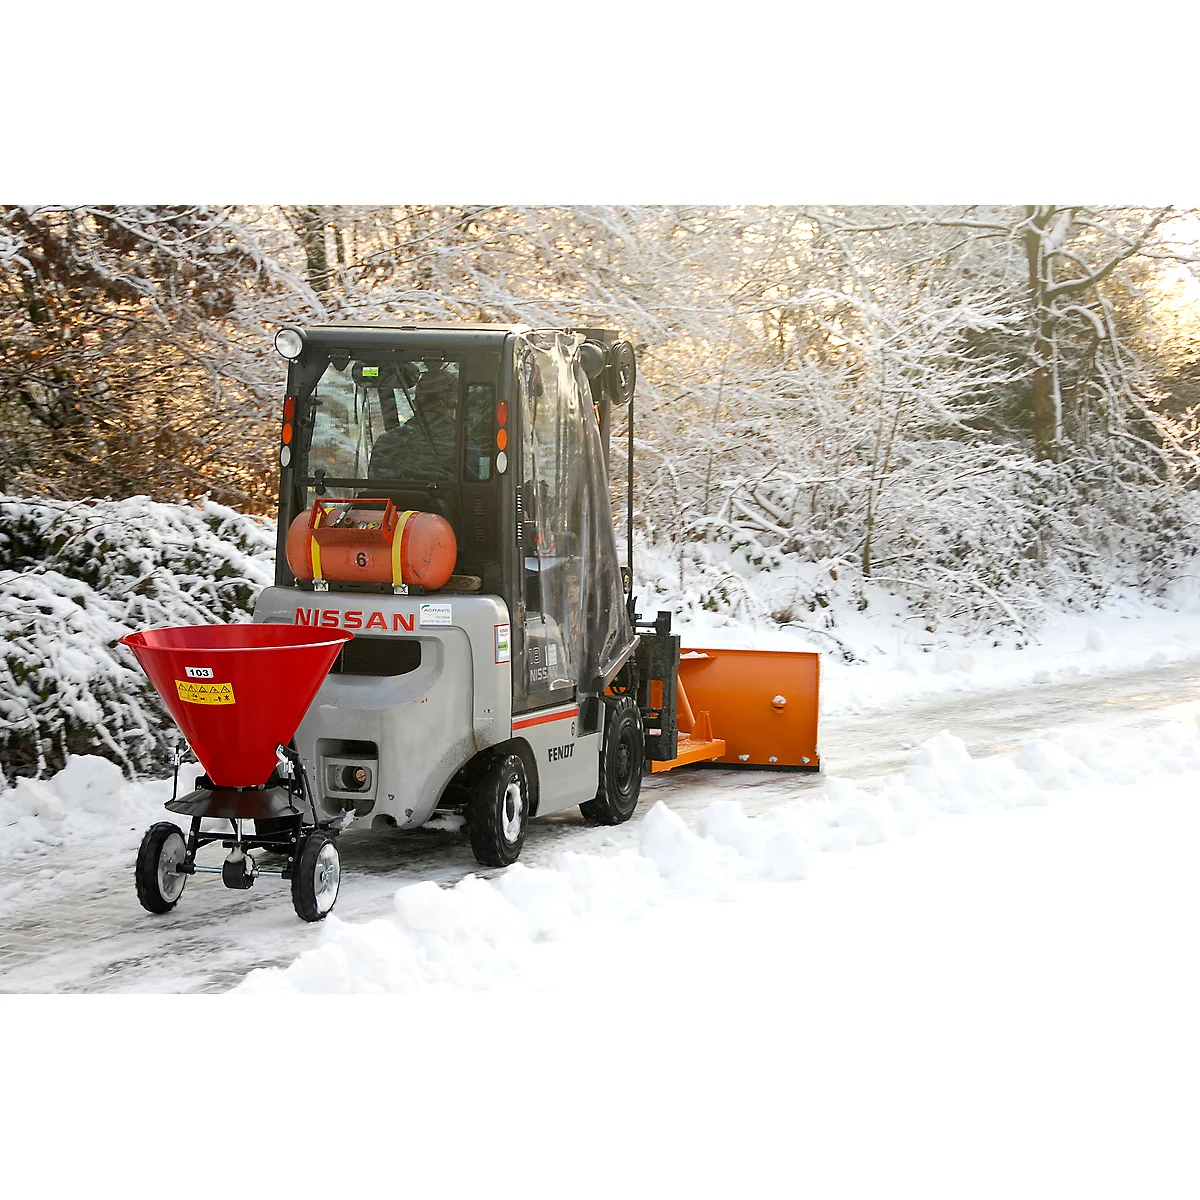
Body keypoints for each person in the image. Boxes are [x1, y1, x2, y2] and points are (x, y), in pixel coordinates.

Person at [369, 366, 459, 482]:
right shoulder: (462, 446)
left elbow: (375, 491)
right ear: (449, 404)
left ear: (416, 402)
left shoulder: (385, 444)